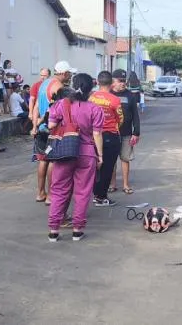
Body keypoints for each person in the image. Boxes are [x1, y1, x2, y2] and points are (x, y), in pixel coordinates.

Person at [46, 73, 104, 242]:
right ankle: (77, 230)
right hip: (87, 153)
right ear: (90, 90)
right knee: (83, 192)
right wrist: (100, 155)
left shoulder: (60, 105)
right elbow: (97, 134)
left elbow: (50, 125)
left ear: (72, 86)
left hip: (64, 152)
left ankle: (53, 230)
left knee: (58, 191)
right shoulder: (95, 109)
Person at [31, 61, 77, 203]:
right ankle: (51, 195)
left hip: (41, 128)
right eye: (69, 73)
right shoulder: (58, 87)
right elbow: (62, 109)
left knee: (42, 160)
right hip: (53, 129)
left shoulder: (44, 84)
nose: (70, 76)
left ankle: (40, 193)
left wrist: (34, 126)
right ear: (63, 73)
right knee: (53, 161)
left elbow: (37, 106)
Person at [90, 71, 124, 207]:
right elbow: (121, 119)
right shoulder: (115, 99)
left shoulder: (91, 98)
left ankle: (95, 193)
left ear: (98, 82)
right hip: (110, 135)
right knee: (107, 168)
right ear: (111, 84)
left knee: (94, 166)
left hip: (93, 135)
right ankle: (101, 197)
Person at [111, 69, 141, 194]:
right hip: (111, 133)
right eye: (120, 81)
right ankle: (112, 184)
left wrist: (136, 132)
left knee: (125, 159)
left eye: (124, 81)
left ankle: (125, 184)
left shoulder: (130, 95)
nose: (122, 83)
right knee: (112, 161)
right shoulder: (109, 94)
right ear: (113, 81)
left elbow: (135, 115)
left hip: (126, 133)